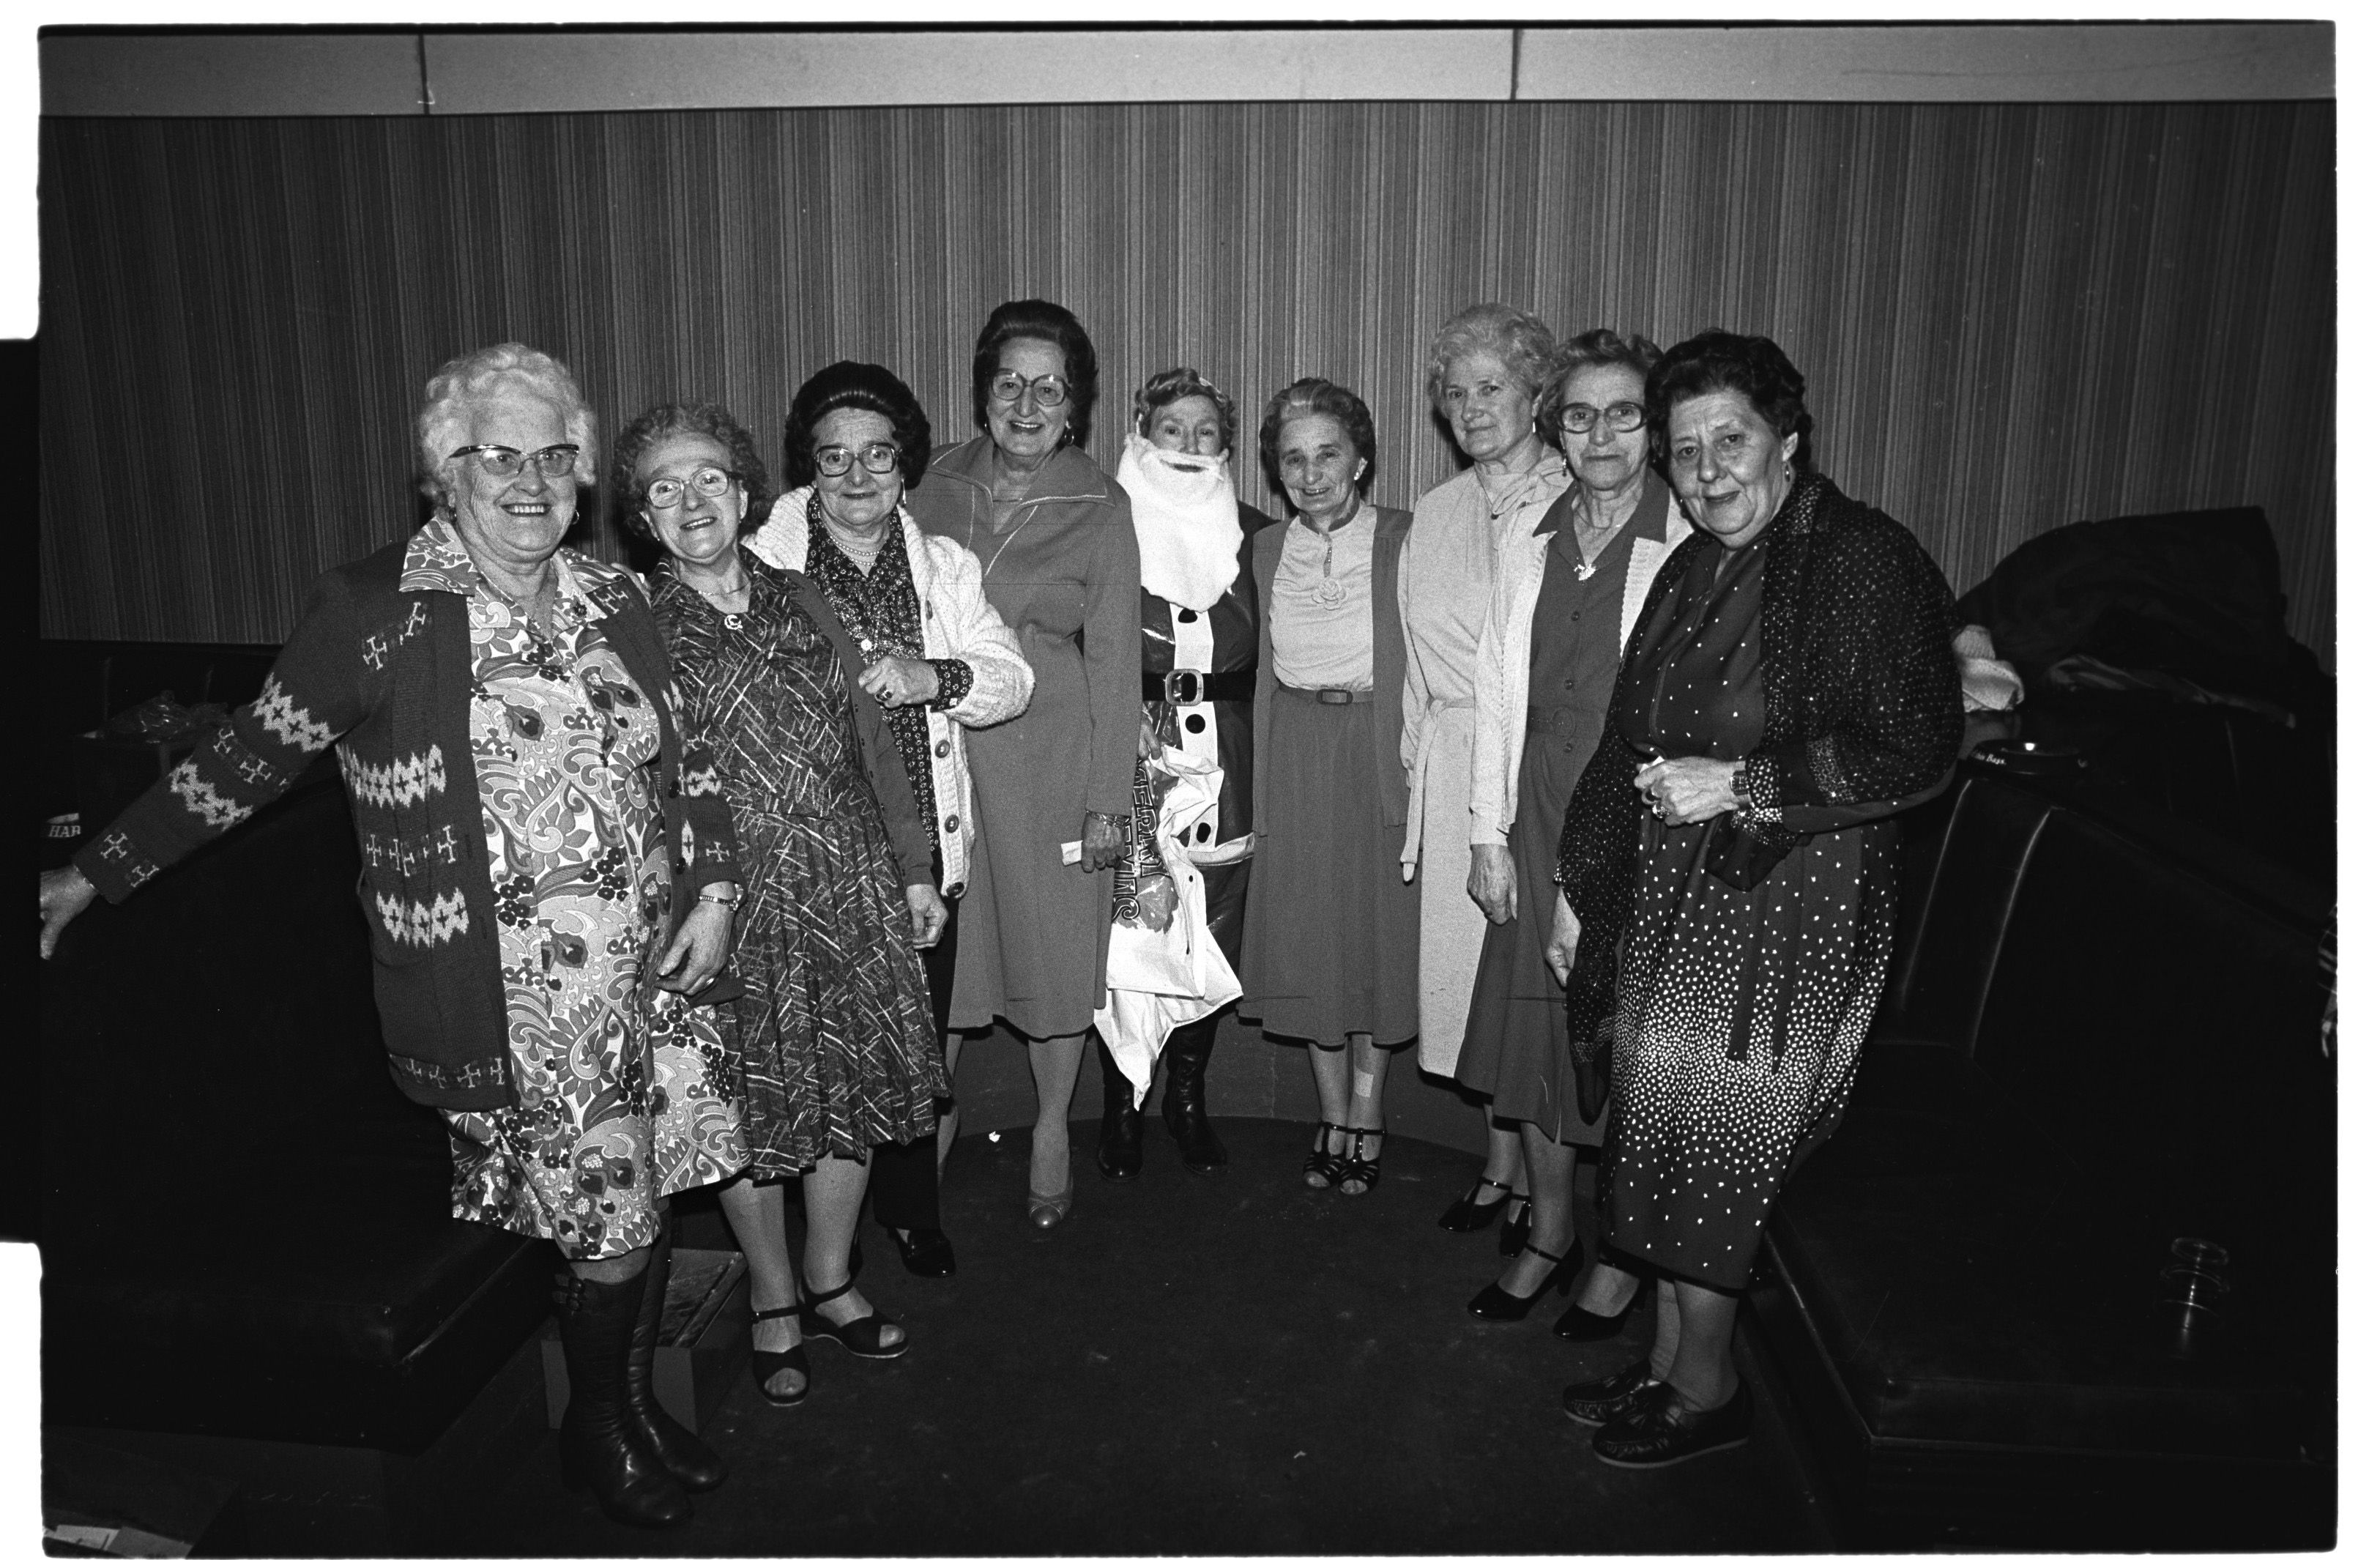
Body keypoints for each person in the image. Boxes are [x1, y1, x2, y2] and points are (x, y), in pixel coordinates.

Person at [37, 344, 747, 1530]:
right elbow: (247, 761)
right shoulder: (376, 610)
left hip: (654, 971)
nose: (532, 481)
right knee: (611, 1223)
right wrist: (101, 871)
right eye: (498, 456)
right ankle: (601, 1431)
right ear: (443, 475)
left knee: (649, 1193)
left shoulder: (612, 597)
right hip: (515, 1001)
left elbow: (695, 763)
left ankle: (626, 1410)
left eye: (555, 455)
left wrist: (717, 892)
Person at [1548, 330, 1962, 1467]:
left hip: (1795, 897)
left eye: (1730, 440)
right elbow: (1625, 735)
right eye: (1684, 450)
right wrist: (1583, 882)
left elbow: (1917, 742)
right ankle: (1666, 1362)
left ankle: (1709, 1387)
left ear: (1787, 440)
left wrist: (1746, 782)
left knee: (1723, 1141)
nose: (1706, 469)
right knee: (1663, 1123)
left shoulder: (1859, 559)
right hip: (1679, 893)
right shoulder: (1695, 564)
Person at [620, 401, 960, 1411]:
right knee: (753, 1103)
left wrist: (912, 870)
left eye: (710, 478)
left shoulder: (806, 595)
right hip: (725, 899)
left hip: (848, 874)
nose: (692, 500)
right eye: (665, 486)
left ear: (744, 491)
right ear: (641, 513)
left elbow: (874, 748)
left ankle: (831, 1277)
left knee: (850, 1091)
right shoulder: (633, 623)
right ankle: (772, 1296)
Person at [748, 362, 1035, 1279]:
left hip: (922, 852)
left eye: (877, 456)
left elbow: (1010, 680)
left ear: (905, 467)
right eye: (836, 461)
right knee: (813, 1051)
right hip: (804, 856)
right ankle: (812, 1250)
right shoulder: (759, 567)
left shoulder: (943, 567)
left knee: (913, 1051)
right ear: (809, 470)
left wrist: (934, 676)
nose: (859, 477)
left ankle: (911, 1213)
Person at [1456, 330, 1693, 1331]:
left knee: (1627, 1046)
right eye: (1579, 413)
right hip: (1533, 802)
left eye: (1624, 412)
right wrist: (1484, 831)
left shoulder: (1686, 534)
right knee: (1534, 1041)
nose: (1599, 433)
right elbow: (1492, 687)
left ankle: (1626, 1258)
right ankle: (1551, 1233)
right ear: (1556, 425)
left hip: (1637, 814)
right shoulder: (1531, 533)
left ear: (1655, 427)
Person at [907, 299, 1141, 1227]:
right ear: (983, 392)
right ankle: (934, 1115)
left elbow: (1118, 663)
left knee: (1049, 954)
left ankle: (1051, 1125)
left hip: (1053, 763)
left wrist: (1107, 805)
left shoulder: (1100, 503)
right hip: (941, 757)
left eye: (1050, 385)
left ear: (1076, 402)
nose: (1029, 402)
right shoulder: (927, 484)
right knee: (945, 957)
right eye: (1011, 382)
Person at [1404, 305, 1577, 1255]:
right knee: (1466, 982)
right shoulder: (1432, 511)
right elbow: (1412, 664)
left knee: (1520, 982)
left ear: (1536, 396)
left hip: (1529, 775)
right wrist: (1412, 783)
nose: (1472, 407)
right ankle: (1496, 1162)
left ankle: (1530, 1187)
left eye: (1493, 389)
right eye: (1457, 392)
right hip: (1449, 776)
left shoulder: (1568, 499)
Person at [1238, 378, 1420, 1195]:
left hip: (1378, 748)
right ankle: (1329, 1111)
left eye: (1328, 454)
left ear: (1362, 459)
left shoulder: (1406, 537)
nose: (1311, 474)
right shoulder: (1263, 548)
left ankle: (1369, 1112)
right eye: (1292, 459)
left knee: (1374, 935)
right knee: (1309, 934)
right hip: (1296, 752)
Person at [1087, 367, 1268, 1180]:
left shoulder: (1256, 537)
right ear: (1138, 434)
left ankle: (1185, 1097)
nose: (1189, 448)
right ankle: (1119, 1104)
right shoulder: (1103, 530)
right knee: (1128, 929)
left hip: (1229, 762)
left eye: (1206, 435)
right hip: (1131, 759)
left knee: (1214, 925)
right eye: (1172, 431)